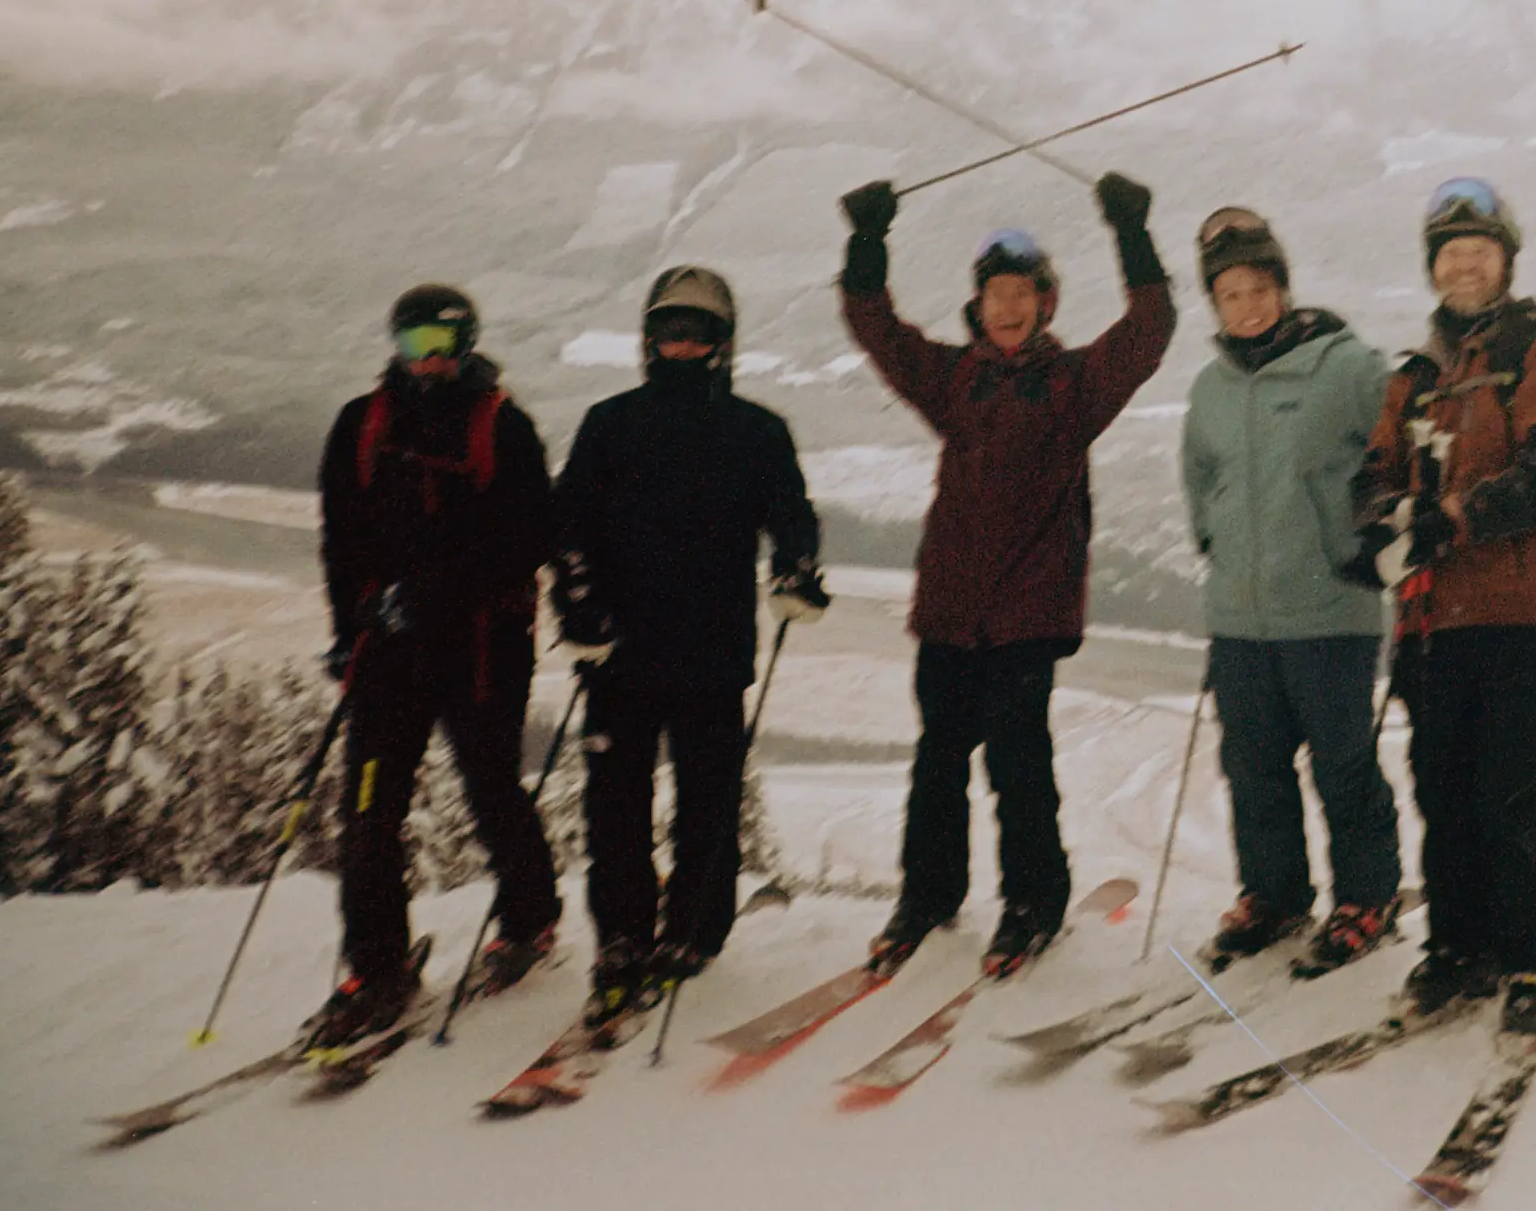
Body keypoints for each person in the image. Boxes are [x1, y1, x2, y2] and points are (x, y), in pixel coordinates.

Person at [837, 170, 1177, 975]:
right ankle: (927, 896)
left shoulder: (1073, 387)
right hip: (950, 612)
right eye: (995, 293)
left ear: (1046, 304)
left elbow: (1151, 327)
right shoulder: (957, 382)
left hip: (1027, 615)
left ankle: (1032, 902)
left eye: (1023, 293)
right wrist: (868, 240)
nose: (1008, 306)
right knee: (937, 763)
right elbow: (873, 324)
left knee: (1019, 767)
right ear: (978, 303)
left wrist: (1130, 230)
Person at [552, 266, 828, 1025]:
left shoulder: (756, 432)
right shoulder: (610, 424)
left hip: (708, 653)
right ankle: (622, 939)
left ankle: (694, 934)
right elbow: (566, 522)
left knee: (707, 804)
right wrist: (575, 600)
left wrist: (797, 569)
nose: (681, 345)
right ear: (647, 340)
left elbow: (792, 516)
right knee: (616, 806)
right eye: (670, 331)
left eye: (696, 333)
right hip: (622, 650)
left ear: (722, 342)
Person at [1356, 178, 1536, 1047]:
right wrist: (1382, 522)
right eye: (1450, 254)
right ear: (1433, 270)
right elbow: (1373, 478)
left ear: (1504, 262)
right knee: (1444, 789)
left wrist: (1452, 516)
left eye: (1478, 251)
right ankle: (1460, 947)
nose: (1464, 266)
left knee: (1522, 792)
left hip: (1526, 611)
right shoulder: (1415, 378)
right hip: (1434, 622)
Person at [311, 284, 562, 1047]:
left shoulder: (503, 428)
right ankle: (376, 963)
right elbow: (340, 537)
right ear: (395, 345)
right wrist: (346, 628)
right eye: (416, 343)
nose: (430, 360)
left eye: (444, 345)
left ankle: (529, 918)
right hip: (386, 651)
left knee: (489, 788)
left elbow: (527, 542)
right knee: (367, 811)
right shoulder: (362, 425)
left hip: (480, 648)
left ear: (469, 343)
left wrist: (425, 594)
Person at [1178, 206, 1402, 975]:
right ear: (1215, 304)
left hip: (1328, 608)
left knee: (1342, 764)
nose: (1248, 306)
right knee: (1252, 766)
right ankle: (1273, 896)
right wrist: (1219, 545)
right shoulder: (1210, 388)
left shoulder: (1344, 366)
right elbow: (1200, 480)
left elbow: (1394, 444)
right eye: (1230, 294)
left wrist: (1367, 539)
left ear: (1283, 286)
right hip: (1240, 617)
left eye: (1259, 288)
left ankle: (1366, 898)